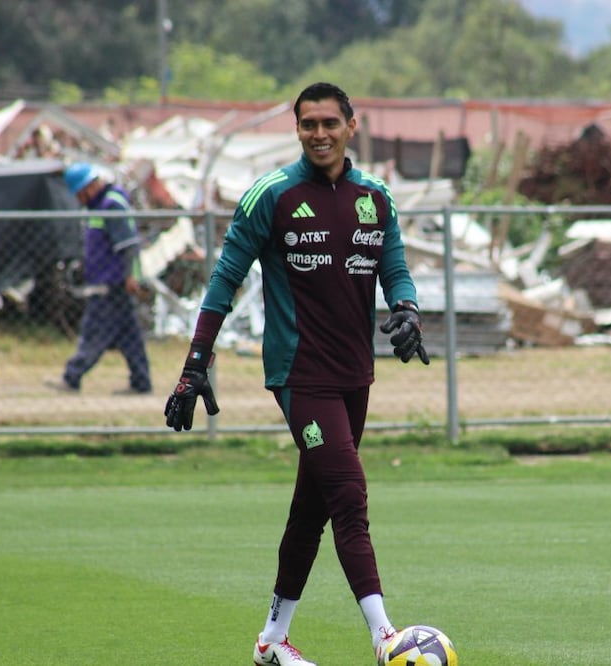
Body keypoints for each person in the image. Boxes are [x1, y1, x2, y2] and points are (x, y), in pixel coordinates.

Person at [163, 82, 429, 665]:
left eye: (330, 122)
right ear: (298, 129)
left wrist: (407, 309)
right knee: (349, 498)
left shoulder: (376, 196)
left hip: (355, 376)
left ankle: (272, 641)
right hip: (299, 376)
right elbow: (224, 280)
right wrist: (194, 367)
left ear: (351, 127)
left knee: (312, 509)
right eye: (308, 123)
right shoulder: (272, 195)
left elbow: (396, 266)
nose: (319, 133)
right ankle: (387, 638)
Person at [46, 162, 152, 395]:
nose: (79, 199)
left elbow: (128, 245)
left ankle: (71, 378)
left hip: (112, 282)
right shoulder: (97, 207)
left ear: (89, 187)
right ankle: (141, 382)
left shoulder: (112, 205)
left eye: (79, 194)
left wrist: (130, 276)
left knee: (93, 332)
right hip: (106, 280)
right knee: (129, 337)